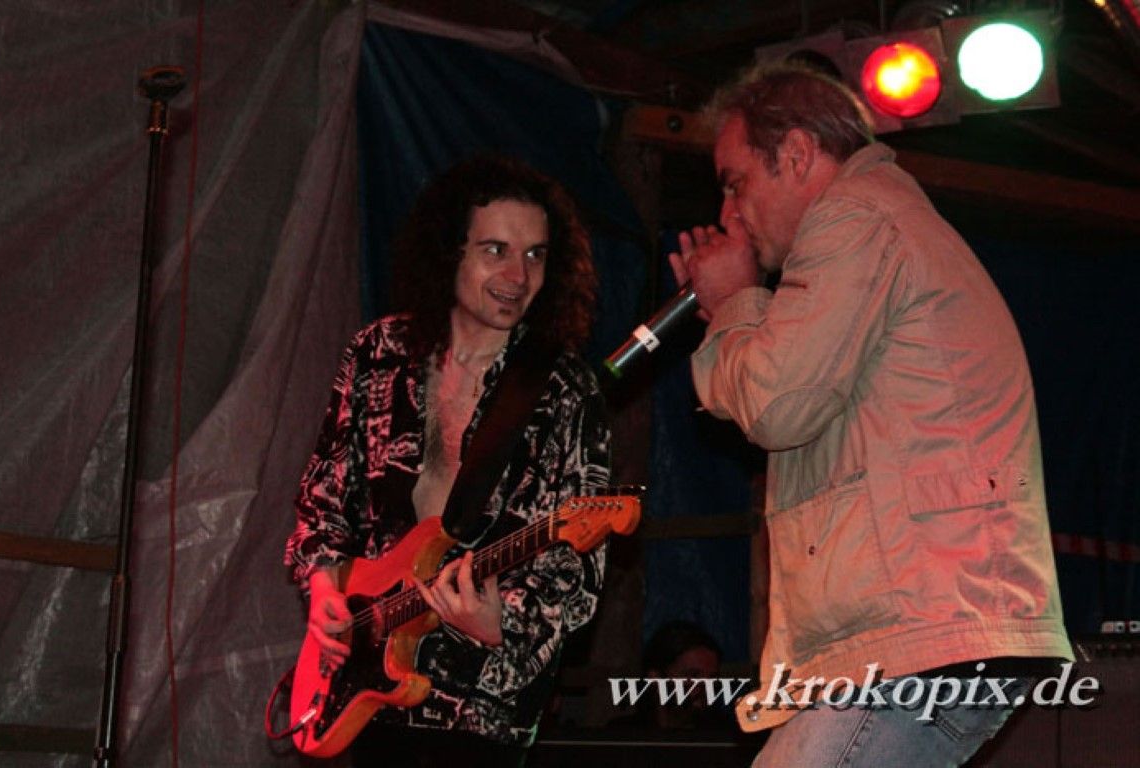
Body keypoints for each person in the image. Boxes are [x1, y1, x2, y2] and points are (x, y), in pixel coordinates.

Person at [668, 62, 1073, 767]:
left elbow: (777, 403)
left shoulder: (856, 217)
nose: (729, 213)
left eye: (736, 183)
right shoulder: (881, 225)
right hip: (924, 621)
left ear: (796, 153)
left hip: (921, 627)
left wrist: (733, 305)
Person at [285, 154, 612, 768]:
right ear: (449, 252)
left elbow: (576, 572)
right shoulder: (378, 354)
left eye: (536, 255)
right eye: (495, 251)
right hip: (363, 695)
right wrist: (325, 590)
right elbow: (323, 501)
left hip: (479, 707)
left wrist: (500, 623)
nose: (518, 275)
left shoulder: (563, 389)